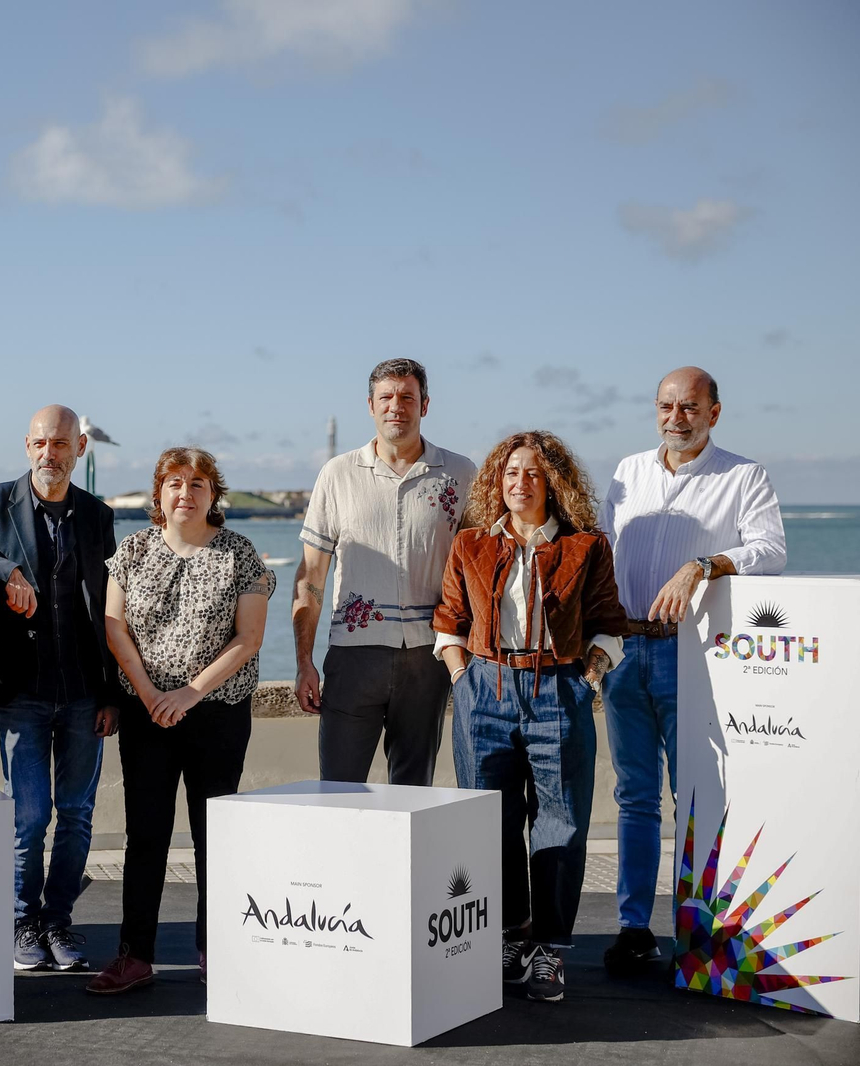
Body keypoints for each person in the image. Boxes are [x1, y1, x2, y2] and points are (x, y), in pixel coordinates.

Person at [598, 367, 786, 976]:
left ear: (714, 412)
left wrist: (704, 565)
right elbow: (602, 551)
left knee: (698, 798)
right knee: (635, 798)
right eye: (666, 406)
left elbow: (770, 549)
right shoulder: (628, 472)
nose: (676, 417)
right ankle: (633, 928)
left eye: (689, 407)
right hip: (625, 653)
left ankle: (701, 932)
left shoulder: (743, 476)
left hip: (693, 656)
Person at [434, 430, 625, 1004]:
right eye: (511, 472)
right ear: (498, 481)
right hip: (482, 688)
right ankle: (509, 934)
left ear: (554, 484)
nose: (520, 483)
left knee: (560, 822)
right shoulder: (470, 543)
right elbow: (449, 617)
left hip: (557, 689)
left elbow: (609, 624)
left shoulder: (586, 546)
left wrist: (586, 676)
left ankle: (549, 949)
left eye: (534, 474)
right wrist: (461, 674)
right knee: (487, 820)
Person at [0, 404, 120, 973]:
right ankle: (21, 920)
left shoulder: (98, 514)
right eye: (40, 444)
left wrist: (112, 693)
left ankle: (58, 920)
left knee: (78, 813)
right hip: (21, 692)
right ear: (27, 445)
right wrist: (2, 570)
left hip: (86, 691)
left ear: (79, 449)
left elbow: (110, 609)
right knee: (28, 817)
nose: (49, 455)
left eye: (60, 445)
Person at [86, 447, 275, 994]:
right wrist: (149, 694)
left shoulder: (241, 554)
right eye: (174, 483)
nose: (185, 492)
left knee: (215, 834)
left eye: (197, 483)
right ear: (158, 494)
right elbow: (114, 626)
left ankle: (217, 950)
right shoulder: (133, 551)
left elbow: (250, 639)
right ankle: (134, 955)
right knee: (145, 836)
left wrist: (189, 693)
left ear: (214, 494)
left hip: (217, 713)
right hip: (149, 715)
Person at [292, 358, 476, 784]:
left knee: (413, 794)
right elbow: (311, 578)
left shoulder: (462, 473)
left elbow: (479, 574)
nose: (397, 406)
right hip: (353, 656)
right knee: (338, 789)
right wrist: (305, 662)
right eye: (387, 397)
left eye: (407, 397)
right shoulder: (337, 475)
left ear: (424, 405)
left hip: (428, 658)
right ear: (370, 405)